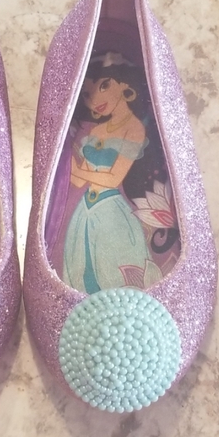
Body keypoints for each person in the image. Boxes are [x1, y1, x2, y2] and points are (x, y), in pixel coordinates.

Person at [63, 52, 158, 293]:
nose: (95, 99)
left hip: (111, 210)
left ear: (124, 83)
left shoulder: (134, 128)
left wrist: (79, 171)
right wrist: (71, 169)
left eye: (104, 85)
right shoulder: (96, 131)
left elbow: (114, 178)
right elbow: (77, 180)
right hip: (85, 210)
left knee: (115, 266)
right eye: (87, 94)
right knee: (83, 267)